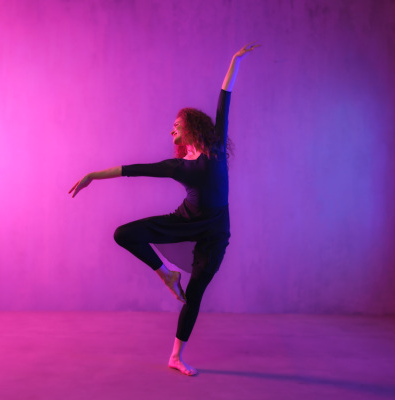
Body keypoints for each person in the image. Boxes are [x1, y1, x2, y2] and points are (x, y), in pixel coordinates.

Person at [69, 43, 259, 376]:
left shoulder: (215, 145)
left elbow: (224, 98)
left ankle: (176, 355)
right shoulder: (176, 165)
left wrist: (235, 60)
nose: (172, 129)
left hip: (215, 231)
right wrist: (92, 176)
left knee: (196, 292)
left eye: (176, 124)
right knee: (123, 233)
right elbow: (133, 169)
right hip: (183, 222)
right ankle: (166, 273)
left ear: (191, 126)